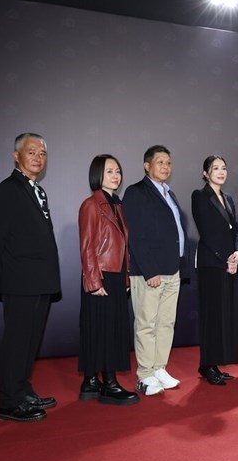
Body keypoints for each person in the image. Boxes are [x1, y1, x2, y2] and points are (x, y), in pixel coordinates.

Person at [0, 133, 61, 422]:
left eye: (42, 153)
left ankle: (23, 391)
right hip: (20, 280)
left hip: (40, 280)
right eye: (31, 152)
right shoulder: (7, 189)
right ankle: (8, 402)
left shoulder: (37, 190)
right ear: (16, 156)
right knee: (17, 341)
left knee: (30, 342)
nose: (38, 158)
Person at [122, 145, 188, 396]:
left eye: (168, 163)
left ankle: (159, 368)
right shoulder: (136, 192)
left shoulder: (169, 194)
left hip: (172, 270)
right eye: (160, 162)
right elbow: (136, 235)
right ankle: (145, 374)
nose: (165, 167)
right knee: (147, 323)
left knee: (166, 323)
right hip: (149, 272)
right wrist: (149, 270)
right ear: (146, 166)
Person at [77, 155, 139, 405]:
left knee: (107, 329)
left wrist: (125, 276)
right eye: (109, 171)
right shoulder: (91, 204)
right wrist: (94, 281)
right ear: (97, 175)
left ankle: (91, 381)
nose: (116, 176)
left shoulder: (117, 205)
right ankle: (109, 384)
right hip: (100, 276)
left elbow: (123, 246)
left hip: (115, 276)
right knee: (101, 329)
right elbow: (87, 246)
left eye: (118, 171)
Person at [191, 155, 238, 386]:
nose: (221, 172)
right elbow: (207, 232)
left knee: (225, 314)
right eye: (215, 168)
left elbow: (237, 231)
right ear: (206, 173)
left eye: (224, 167)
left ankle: (217, 363)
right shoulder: (199, 196)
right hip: (212, 264)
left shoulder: (229, 198)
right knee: (212, 315)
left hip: (230, 264)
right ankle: (207, 364)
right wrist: (226, 259)